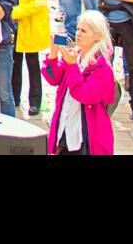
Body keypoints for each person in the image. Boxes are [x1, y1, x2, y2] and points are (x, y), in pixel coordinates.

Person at [43, 10, 116, 156]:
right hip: (64, 128)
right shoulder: (75, 54)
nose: (78, 34)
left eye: (84, 31)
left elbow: (85, 95)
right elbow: (53, 79)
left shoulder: (103, 67)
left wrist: (71, 66)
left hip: (87, 136)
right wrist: (53, 53)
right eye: (77, 29)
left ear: (97, 36)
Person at [9, 0, 49, 116]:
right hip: (14, 24)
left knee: (32, 62)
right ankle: (14, 97)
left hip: (30, 24)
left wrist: (15, 12)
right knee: (14, 61)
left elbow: (39, 2)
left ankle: (35, 101)